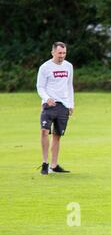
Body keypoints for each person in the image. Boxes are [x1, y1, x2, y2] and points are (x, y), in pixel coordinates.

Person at [36, 42, 74, 175]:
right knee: (44, 132)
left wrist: (71, 104)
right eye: (59, 53)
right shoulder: (45, 67)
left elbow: (70, 86)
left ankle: (54, 165)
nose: (62, 56)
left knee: (57, 135)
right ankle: (45, 163)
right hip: (49, 105)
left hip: (63, 105)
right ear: (53, 52)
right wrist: (47, 98)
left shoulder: (69, 66)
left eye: (64, 53)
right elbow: (40, 87)